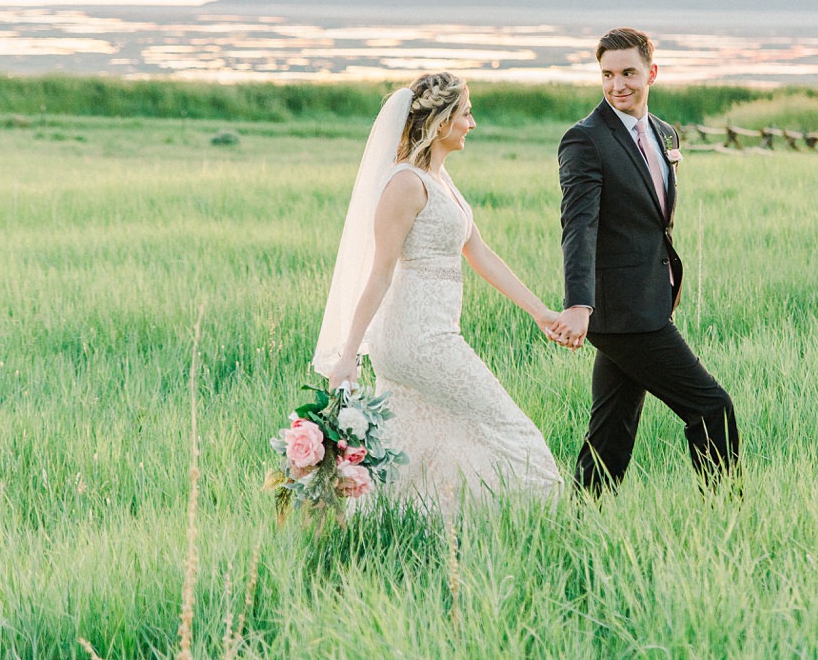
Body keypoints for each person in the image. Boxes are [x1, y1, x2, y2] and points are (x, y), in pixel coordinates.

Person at [315, 72, 563, 508]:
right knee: (511, 430)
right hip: (418, 340)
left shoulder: (438, 178)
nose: (472, 123)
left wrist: (540, 313)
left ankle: (380, 529)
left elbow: (480, 252)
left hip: (429, 335)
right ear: (441, 121)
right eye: (466, 113)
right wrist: (349, 354)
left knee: (415, 452)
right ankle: (538, 502)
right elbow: (379, 273)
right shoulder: (405, 184)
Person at [551, 28, 741, 494]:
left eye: (628, 73)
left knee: (611, 433)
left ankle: (581, 521)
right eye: (608, 74)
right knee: (711, 407)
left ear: (651, 73)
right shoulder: (584, 140)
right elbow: (579, 226)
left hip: (650, 298)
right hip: (621, 310)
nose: (618, 85)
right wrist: (579, 303)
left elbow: (654, 221)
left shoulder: (663, 133)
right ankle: (727, 515)